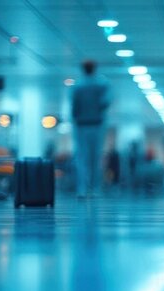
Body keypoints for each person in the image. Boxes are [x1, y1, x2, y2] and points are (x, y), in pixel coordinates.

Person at [72, 60, 112, 198]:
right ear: (95, 68)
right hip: (97, 124)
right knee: (95, 158)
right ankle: (95, 189)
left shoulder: (77, 86)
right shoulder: (102, 84)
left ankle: (82, 189)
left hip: (81, 126)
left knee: (81, 158)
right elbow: (105, 103)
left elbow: (74, 107)